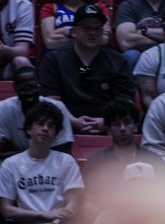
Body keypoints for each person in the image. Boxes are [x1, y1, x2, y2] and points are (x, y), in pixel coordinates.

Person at [0, 102, 85, 224]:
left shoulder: (66, 161)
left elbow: (72, 204)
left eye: (51, 126)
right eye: (40, 124)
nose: (45, 129)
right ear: (29, 129)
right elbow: (6, 209)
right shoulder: (10, 165)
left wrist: (55, 221)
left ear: (55, 134)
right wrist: (44, 216)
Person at [38, 5, 134, 133]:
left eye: (97, 28)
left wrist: (106, 121)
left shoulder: (119, 61)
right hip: (63, 126)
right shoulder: (54, 59)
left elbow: (125, 102)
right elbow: (51, 100)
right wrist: (72, 122)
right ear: (74, 32)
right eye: (86, 28)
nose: (92, 33)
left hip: (111, 128)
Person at [80, 100, 165, 206]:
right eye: (116, 124)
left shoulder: (154, 160)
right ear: (108, 129)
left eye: (127, 123)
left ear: (136, 126)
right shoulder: (95, 162)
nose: (122, 128)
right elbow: (89, 200)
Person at [0, 66, 73, 164]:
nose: (29, 93)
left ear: (40, 86)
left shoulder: (57, 107)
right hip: (17, 164)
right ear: (15, 89)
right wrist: (41, 152)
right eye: (23, 88)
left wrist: (12, 151)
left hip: (50, 164)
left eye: (33, 87)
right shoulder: (4, 107)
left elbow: (64, 150)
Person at [113, 0, 165, 66]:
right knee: (131, 55)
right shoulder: (129, 5)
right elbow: (126, 42)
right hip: (142, 56)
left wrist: (144, 31)